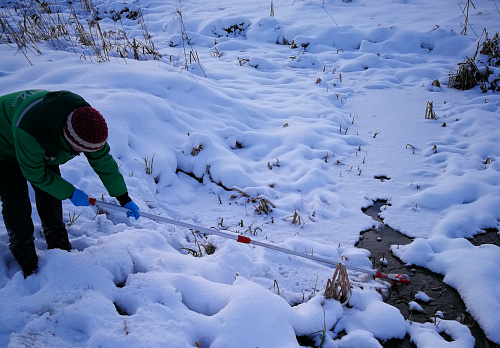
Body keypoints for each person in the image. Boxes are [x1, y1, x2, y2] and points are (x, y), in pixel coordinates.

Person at [0, 89, 140, 278]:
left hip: (43, 139)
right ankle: (23, 251)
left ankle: (57, 238)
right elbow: (35, 174)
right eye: (81, 150)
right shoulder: (32, 129)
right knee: (16, 200)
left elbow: (102, 160)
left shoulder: (88, 125)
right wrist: (70, 192)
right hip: (4, 144)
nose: (86, 153)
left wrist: (123, 197)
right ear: (69, 140)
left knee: (50, 193)